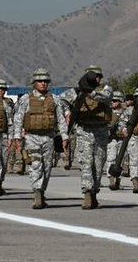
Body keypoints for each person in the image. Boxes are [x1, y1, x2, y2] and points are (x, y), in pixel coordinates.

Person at [14, 69, 67, 209]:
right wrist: (17, 137)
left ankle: (41, 191)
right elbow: (18, 119)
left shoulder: (54, 99)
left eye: (45, 81)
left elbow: (61, 119)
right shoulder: (26, 99)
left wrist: (64, 137)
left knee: (47, 167)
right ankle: (37, 193)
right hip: (31, 137)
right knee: (35, 165)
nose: (43, 83)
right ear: (34, 83)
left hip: (48, 137)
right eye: (40, 81)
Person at [69, 72, 113, 209]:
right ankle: (87, 194)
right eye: (93, 77)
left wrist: (90, 92)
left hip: (100, 131)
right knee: (86, 163)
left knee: (98, 165)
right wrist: (67, 112)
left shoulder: (106, 89)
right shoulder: (77, 92)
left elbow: (106, 98)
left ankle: (94, 193)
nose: (97, 79)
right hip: (84, 130)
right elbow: (61, 100)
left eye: (99, 76)